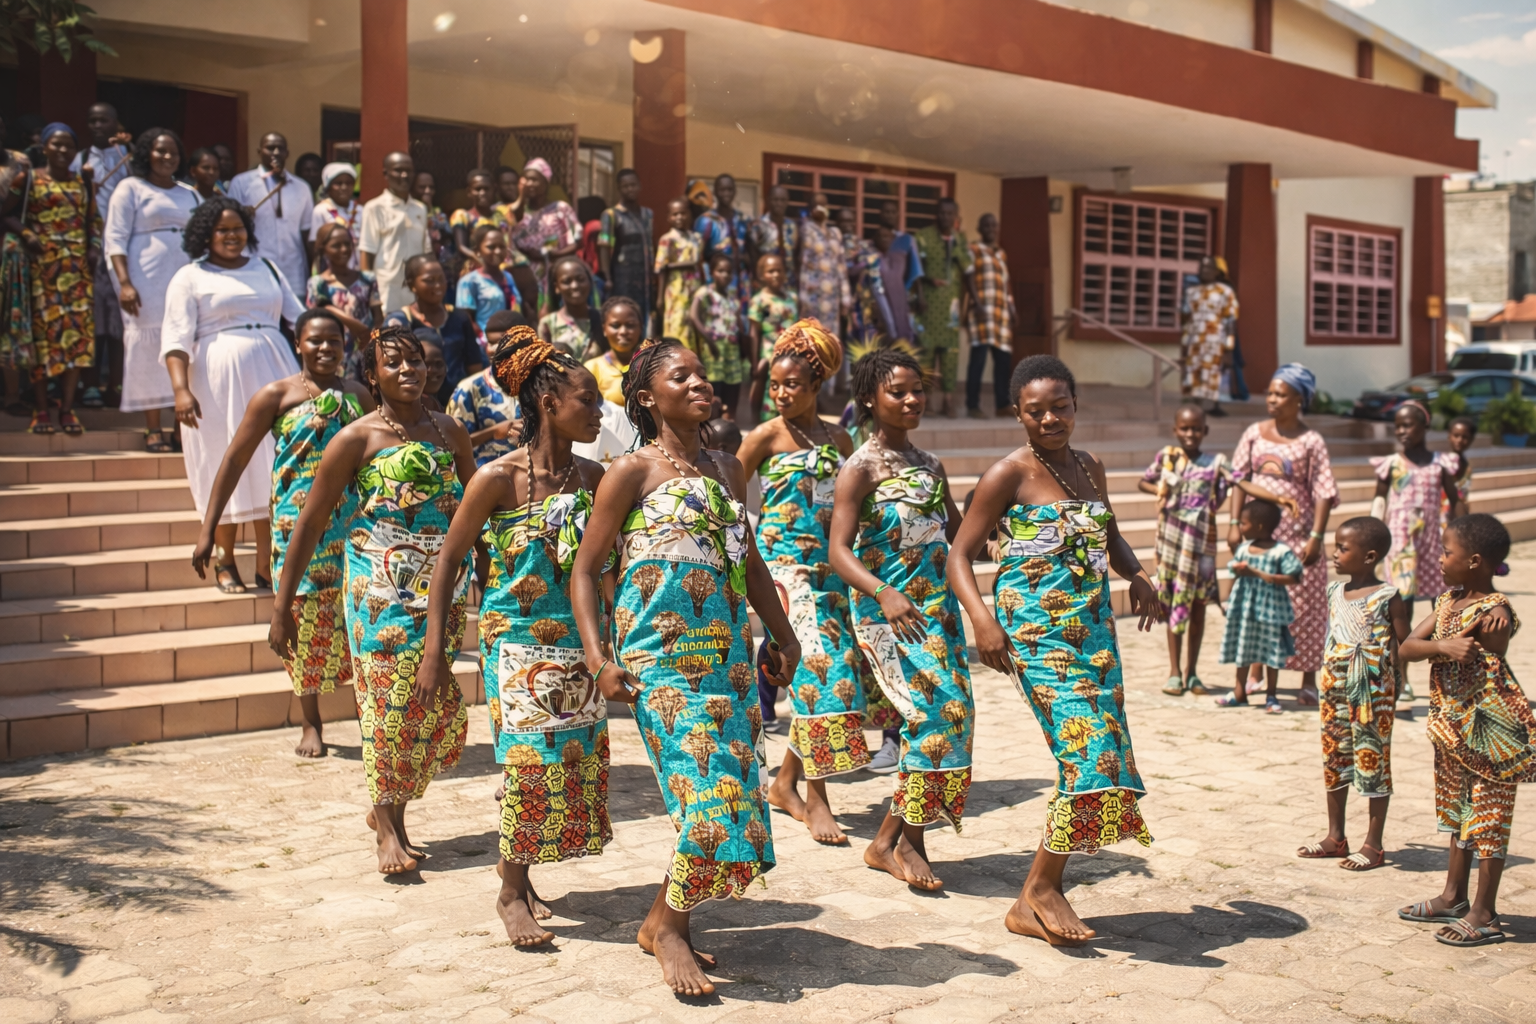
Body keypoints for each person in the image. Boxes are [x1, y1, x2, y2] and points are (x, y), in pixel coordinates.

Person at [570, 337, 798, 997]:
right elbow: (587, 570)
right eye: (681, 376)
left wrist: (781, 637)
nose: (700, 382)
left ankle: (668, 921)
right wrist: (597, 658)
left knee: (738, 795)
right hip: (660, 662)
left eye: (702, 372)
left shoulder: (727, 468)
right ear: (645, 397)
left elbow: (748, 559)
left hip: (725, 656)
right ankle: (667, 928)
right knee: (707, 797)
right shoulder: (630, 472)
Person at [948, 353, 1158, 946]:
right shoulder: (1006, 475)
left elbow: (1107, 530)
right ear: (1018, 414)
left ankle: (1043, 891)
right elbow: (957, 556)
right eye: (1035, 411)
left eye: (1059, 407)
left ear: (1075, 406)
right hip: (1037, 636)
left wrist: (1136, 573)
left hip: (1094, 634)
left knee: (1106, 755)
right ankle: (1037, 892)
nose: (1049, 420)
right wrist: (982, 623)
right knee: (1087, 753)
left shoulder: (1089, 466)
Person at [421, 326, 612, 946]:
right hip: (516, 645)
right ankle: (509, 888)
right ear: (548, 403)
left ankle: (523, 875)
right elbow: (448, 562)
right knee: (533, 766)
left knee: (568, 765)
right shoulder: (496, 479)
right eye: (588, 401)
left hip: (580, 645)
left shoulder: (593, 476)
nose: (600, 411)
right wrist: (436, 654)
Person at [272, 324, 475, 874]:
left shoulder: (450, 432)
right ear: (372, 376)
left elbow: (478, 512)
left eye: (418, 361)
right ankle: (390, 827)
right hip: (377, 590)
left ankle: (388, 809)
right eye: (395, 363)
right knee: (388, 706)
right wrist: (282, 605)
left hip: (444, 591)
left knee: (431, 712)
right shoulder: (356, 438)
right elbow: (312, 522)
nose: (409, 370)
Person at [191, 308, 372, 755]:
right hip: (297, 527)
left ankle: (368, 720)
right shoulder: (276, 395)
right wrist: (208, 528)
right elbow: (234, 459)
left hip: (354, 525)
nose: (326, 348)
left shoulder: (359, 396)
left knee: (359, 621)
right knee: (302, 621)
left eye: (334, 340)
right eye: (316, 340)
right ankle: (311, 723)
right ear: (298, 344)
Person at [828, 347, 971, 892]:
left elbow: (957, 536)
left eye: (918, 390)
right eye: (898, 391)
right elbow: (840, 550)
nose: (912, 400)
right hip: (887, 616)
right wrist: (883, 591)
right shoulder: (859, 468)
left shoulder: (931, 466)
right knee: (933, 719)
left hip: (938, 615)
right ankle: (892, 841)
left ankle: (904, 840)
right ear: (870, 398)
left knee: (954, 719)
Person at [736, 320, 866, 844]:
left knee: (835, 671)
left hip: (832, 571)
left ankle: (784, 782)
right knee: (817, 670)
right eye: (775, 385)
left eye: (792, 385)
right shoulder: (765, 436)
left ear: (817, 387)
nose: (781, 394)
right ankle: (818, 800)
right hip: (784, 571)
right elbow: (727, 494)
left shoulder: (840, 437)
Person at [1398, 513, 1529, 947]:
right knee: (1457, 816)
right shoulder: (1446, 602)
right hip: (1452, 734)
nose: (1439, 557)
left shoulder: (1495, 610)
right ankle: (1453, 896)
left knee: (1487, 821)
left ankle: (1485, 913)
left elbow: (1499, 635)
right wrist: (1443, 646)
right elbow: (1407, 647)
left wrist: (1488, 633)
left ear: (1474, 561)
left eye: (1447, 551)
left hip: (1490, 738)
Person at [161, 196, 302, 592]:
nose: (231, 236)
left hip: (275, 371)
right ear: (205, 234)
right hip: (214, 381)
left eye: (237, 228)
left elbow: (300, 317)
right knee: (223, 460)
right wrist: (180, 391)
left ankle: (264, 562)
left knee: (272, 464)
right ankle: (224, 561)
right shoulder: (189, 276)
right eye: (222, 230)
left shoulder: (267, 267)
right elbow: (175, 339)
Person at [1296, 516, 1407, 872]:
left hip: (1372, 695)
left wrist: (1394, 690)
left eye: (1343, 548)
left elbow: (1404, 647)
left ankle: (1373, 844)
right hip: (1334, 691)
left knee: (1373, 760)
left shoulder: (1389, 596)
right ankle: (1335, 837)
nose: (1335, 554)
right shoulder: (1334, 591)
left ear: (1370, 556)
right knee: (1334, 757)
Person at [1230, 363, 1338, 706]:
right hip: (1257, 534)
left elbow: (1323, 490)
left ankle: (1308, 679)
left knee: (1305, 606)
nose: (1272, 399)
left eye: (1281, 394)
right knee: (1257, 604)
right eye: (1271, 392)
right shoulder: (1253, 432)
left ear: (1299, 400)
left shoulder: (1311, 441)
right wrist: (1233, 524)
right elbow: (1238, 477)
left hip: (1297, 535)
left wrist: (1317, 537)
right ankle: (1258, 674)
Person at [105, 127, 199, 452]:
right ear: (147, 153)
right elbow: (115, 239)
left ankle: (179, 427)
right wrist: (125, 283)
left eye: (173, 151)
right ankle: (152, 428)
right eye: (160, 151)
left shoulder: (190, 193)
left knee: (183, 345)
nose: (167, 157)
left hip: (185, 278)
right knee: (148, 348)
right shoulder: (129, 188)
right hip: (145, 280)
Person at [1138, 404, 1231, 695]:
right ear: (1176, 430)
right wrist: (1161, 490)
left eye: (1196, 429)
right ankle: (1175, 672)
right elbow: (1144, 481)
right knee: (1173, 602)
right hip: (1171, 546)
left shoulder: (1215, 464)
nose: (1190, 434)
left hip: (1202, 548)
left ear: (1205, 430)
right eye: (1185, 428)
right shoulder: (1167, 458)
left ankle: (1193, 673)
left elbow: (1221, 496)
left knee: (1199, 605)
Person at [16, 123, 101, 436]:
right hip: (42, 271)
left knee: (76, 340)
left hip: (77, 271)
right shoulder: (29, 179)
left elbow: (94, 221)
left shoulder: (83, 182)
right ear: (44, 147)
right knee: (42, 341)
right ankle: (41, 410)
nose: (63, 151)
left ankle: (66, 408)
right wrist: (26, 234)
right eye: (56, 144)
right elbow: (9, 215)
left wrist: (94, 248)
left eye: (68, 145)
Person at [1373, 401, 1460, 622]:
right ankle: (1402, 652)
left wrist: (1463, 534)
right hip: (1400, 541)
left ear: (1424, 426)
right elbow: (1379, 501)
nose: (1401, 431)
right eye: (1398, 426)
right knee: (1401, 599)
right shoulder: (1391, 464)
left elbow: (1455, 500)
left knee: (1441, 598)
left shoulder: (1441, 464)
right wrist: (1372, 535)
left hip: (1433, 541)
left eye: (1408, 425)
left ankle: (1440, 650)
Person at [1215, 499, 1304, 713]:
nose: (1241, 528)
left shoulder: (1280, 551)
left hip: (1271, 611)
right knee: (1243, 648)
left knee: (1271, 652)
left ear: (1259, 526)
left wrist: (1263, 575)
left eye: (1244, 524)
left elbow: (1295, 576)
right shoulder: (1244, 549)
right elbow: (1235, 572)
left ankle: (1271, 695)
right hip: (1245, 609)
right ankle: (1239, 692)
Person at [71, 103, 131, 411]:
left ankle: (118, 385)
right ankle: (91, 384)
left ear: (115, 123)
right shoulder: (79, 159)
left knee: (120, 324)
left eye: (103, 120)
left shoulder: (127, 157)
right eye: (92, 120)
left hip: (123, 254)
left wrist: (128, 147)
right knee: (93, 323)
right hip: (89, 253)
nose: (97, 125)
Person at [384, 255, 482, 403]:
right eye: (429, 280)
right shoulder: (399, 321)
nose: (437, 285)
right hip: (415, 404)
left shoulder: (459, 317)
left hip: (459, 402)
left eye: (441, 279)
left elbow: (474, 367)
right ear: (412, 285)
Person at [911, 197, 975, 417]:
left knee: (950, 353)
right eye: (942, 213)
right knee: (926, 351)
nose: (945, 217)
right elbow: (916, 271)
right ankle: (925, 401)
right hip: (928, 301)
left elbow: (968, 271)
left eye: (950, 214)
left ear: (956, 217)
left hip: (951, 306)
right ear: (935, 215)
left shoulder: (959, 240)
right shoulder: (923, 237)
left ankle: (948, 400)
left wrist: (973, 301)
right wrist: (920, 294)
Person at [228, 133, 313, 295]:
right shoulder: (241, 183)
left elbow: (306, 231)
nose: (275, 152)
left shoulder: (302, 187)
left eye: (280, 148)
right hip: (255, 265)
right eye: (269, 148)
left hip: (293, 269)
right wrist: (242, 216)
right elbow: (230, 225)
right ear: (259, 152)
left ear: (287, 153)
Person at [447, 309, 524, 466]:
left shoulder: (544, 384)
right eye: (490, 342)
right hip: (486, 480)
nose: (494, 349)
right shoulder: (470, 389)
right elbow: (449, 445)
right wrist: (494, 432)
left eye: (502, 342)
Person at [305, 221, 380, 377]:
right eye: (336, 245)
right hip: (333, 355)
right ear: (323, 249)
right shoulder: (317, 283)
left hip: (365, 352)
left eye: (347, 244)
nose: (344, 249)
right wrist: (358, 327)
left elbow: (379, 316)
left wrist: (372, 340)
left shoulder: (368, 279)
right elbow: (319, 312)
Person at [358, 152, 429, 316]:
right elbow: (367, 252)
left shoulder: (420, 208)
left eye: (409, 171)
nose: (404, 175)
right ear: (386, 173)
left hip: (415, 290)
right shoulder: (374, 208)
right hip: (386, 288)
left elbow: (426, 250)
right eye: (398, 170)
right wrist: (369, 292)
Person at [797, 193, 852, 397]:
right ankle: (813, 390)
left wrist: (846, 298)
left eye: (823, 205)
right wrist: (802, 298)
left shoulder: (835, 233)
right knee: (812, 341)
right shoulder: (806, 229)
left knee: (830, 341)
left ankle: (826, 390)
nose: (820, 208)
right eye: (815, 205)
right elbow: (804, 264)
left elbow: (841, 266)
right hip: (813, 298)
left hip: (832, 300)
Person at [509, 158, 581, 307]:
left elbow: (578, 240)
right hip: (525, 277)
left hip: (554, 273)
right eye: (526, 179)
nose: (529, 183)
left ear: (546, 182)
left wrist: (553, 255)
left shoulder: (560, 208)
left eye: (535, 180)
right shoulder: (514, 211)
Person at [965, 213, 1017, 418]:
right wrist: (975, 303)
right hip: (982, 312)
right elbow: (968, 277)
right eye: (986, 225)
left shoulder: (1001, 253)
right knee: (978, 360)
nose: (990, 229)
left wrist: (1012, 309)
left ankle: (1002, 404)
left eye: (994, 225)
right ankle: (972, 405)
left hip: (1001, 314)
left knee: (1003, 361)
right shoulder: (973, 249)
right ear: (979, 228)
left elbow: (1006, 284)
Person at [687, 253, 747, 418]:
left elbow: (737, 322)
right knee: (715, 384)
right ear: (712, 272)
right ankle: (712, 422)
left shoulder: (732, 297)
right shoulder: (705, 292)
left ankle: (729, 421)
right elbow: (694, 316)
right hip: (714, 347)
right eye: (720, 271)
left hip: (732, 347)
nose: (725, 275)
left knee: (732, 384)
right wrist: (709, 340)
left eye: (728, 272)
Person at [1180, 256, 1239, 416]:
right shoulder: (1191, 292)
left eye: (1208, 268)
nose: (1204, 271)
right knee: (1194, 371)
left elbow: (1229, 322)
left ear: (1217, 272)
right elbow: (1186, 319)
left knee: (1212, 372)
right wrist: (1184, 344)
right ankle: (1194, 405)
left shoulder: (1225, 291)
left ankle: (1212, 405)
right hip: (1195, 340)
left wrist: (1229, 347)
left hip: (1215, 340)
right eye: (1201, 267)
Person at [0, 117, 31, 416]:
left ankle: (12, 395)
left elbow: (26, 206)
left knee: (12, 322)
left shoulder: (19, 162)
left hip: (10, 253)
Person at [597, 168, 653, 331]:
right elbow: (604, 247)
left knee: (645, 316)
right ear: (619, 189)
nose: (630, 189)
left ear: (640, 186)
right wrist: (607, 277)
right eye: (625, 186)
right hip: (622, 275)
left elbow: (650, 244)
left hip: (645, 277)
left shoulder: (648, 214)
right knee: (626, 314)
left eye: (633, 185)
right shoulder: (611, 215)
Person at [746, 253, 799, 421]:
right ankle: (765, 421)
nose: (776, 274)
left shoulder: (792, 297)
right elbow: (754, 333)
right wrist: (755, 362)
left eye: (779, 270)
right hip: (770, 351)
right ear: (762, 275)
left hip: (793, 351)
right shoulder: (759, 300)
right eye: (771, 271)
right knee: (771, 385)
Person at [653, 197, 702, 350]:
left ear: (689, 214)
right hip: (675, 290)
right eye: (675, 214)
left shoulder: (695, 238)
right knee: (677, 323)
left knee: (693, 324)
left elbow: (697, 261)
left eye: (683, 213)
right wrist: (660, 297)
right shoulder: (667, 239)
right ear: (669, 217)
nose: (679, 217)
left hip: (694, 288)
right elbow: (661, 269)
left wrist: (672, 264)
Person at [455, 225, 522, 334]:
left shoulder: (508, 277)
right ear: (478, 251)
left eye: (502, 246)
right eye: (491, 247)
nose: (498, 251)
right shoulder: (469, 281)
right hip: (486, 345)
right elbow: (466, 321)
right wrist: (486, 343)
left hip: (512, 342)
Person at [537, 256, 599, 361]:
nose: (575, 286)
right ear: (557, 287)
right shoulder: (548, 324)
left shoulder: (603, 319)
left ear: (589, 282)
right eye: (567, 281)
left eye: (581, 279)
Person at [584, 295, 641, 406]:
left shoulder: (649, 367)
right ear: (604, 329)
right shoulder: (593, 368)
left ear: (640, 328)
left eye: (630, 325)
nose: (623, 331)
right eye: (615, 326)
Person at [309, 163, 360, 272]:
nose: (344, 187)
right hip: (331, 270)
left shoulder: (360, 210)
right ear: (328, 187)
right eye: (338, 183)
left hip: (358, 270)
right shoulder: (321, 210)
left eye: (349, 183)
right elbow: (316, 247)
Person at [412, 169, 458, 284]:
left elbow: (448, 235)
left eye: (431, 187)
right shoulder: (407, 213)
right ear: (413, 189)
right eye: (422, 187)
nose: (427, 191)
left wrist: (429, 208)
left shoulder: (438, 213)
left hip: (440, 266)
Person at [752, 185, 801, 289]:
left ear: (787, 201)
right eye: (775, 200)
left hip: (789, 283)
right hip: (766, 283)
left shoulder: (792, 226)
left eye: (783, 200)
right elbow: (752, 256)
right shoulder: (758, 225)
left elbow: (795, 255)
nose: (779, 203)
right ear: (768, 200)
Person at [1442, 416, 1476, 519]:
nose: (1459, 440)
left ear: (1471, 440)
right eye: (1456, 435)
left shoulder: (1467, 465)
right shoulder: (1442, 462)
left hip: (1458, 515)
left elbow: (1463, 494)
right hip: (1441, 514)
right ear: (1449, 436)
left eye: (1465, 437)